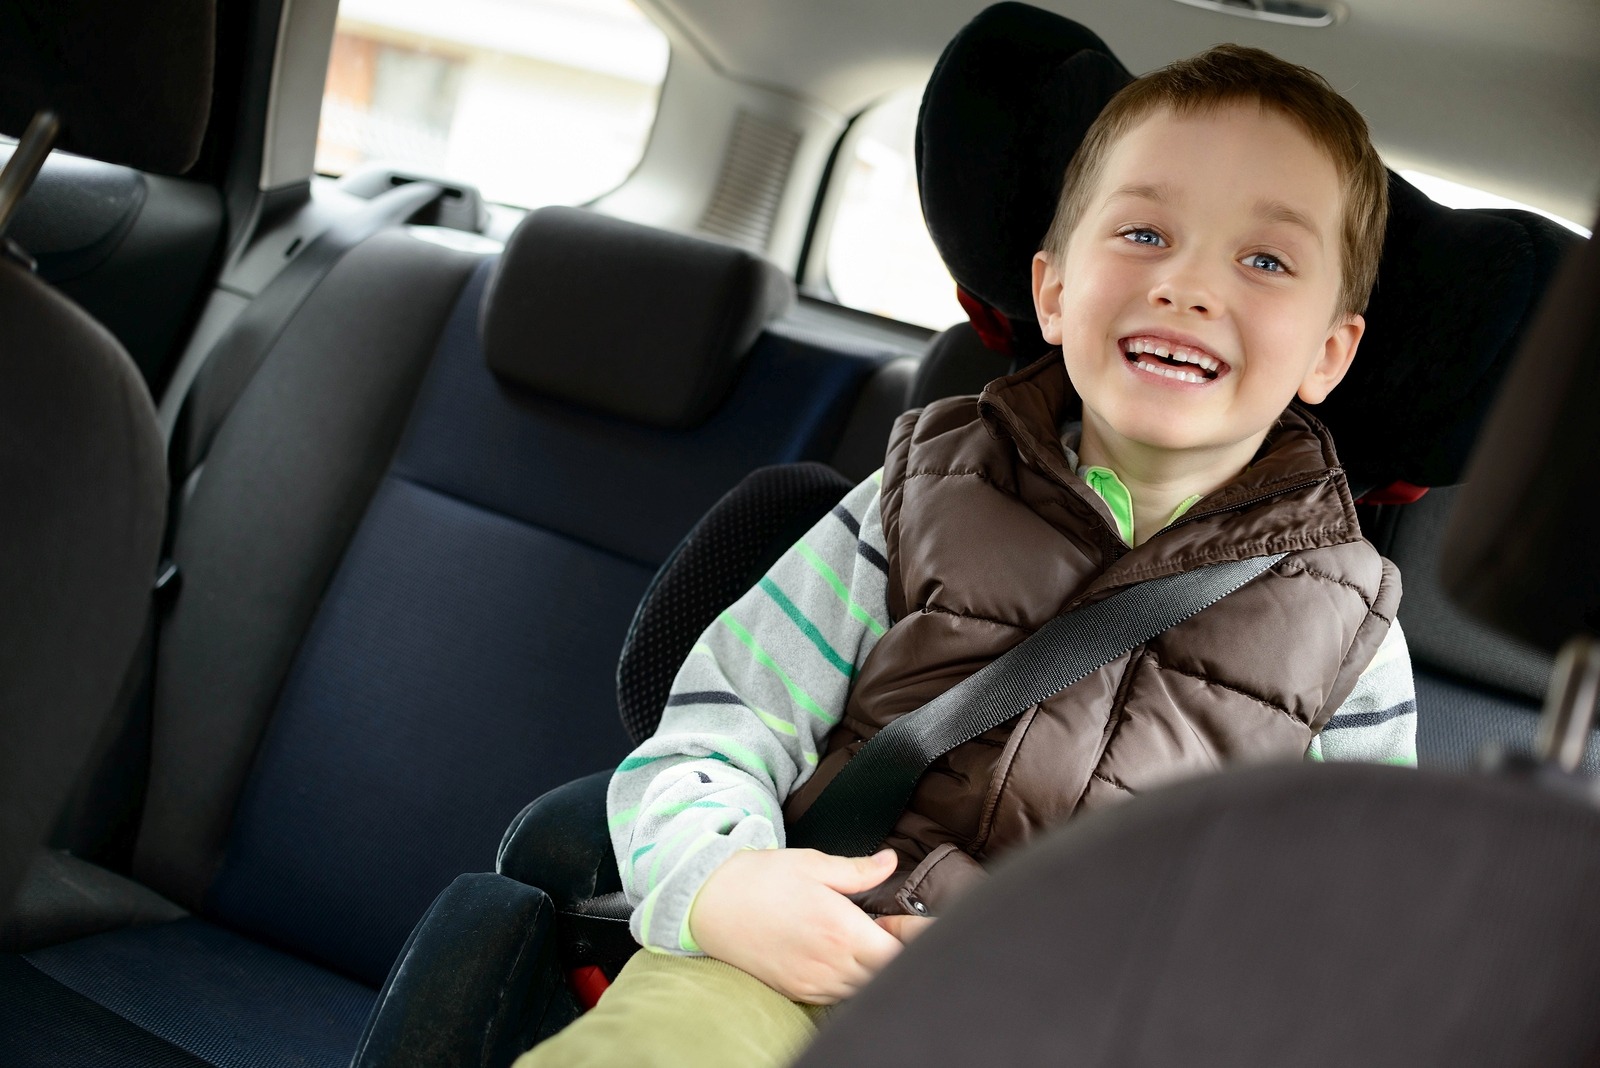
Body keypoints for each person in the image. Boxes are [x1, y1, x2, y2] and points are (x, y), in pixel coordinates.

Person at [518, 42, 1417, 1068]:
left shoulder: (1348, 632)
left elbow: (1338, 942)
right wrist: (723, 888)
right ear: (1052, 290)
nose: (1186, 284)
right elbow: (719, 734)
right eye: (1142, 231)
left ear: (1327, 354)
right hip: (798, 953)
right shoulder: (916, 494)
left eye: (1263, 260)